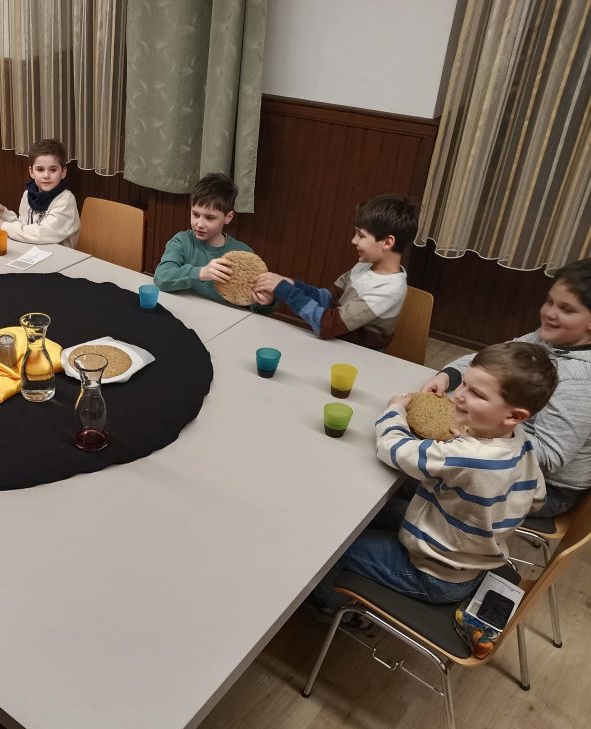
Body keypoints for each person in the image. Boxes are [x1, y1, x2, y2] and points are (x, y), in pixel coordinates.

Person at [311, 342, 558, 614]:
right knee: (361, 513)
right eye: (464, 384)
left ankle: (330, 607)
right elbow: (537, 498)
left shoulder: (466, 456)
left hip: (432, 575)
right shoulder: (521, 441)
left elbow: (393, 449)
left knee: (330, 548)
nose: (459, 395)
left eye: (476, 393)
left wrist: (395, 410)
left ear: (514, 415)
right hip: (467, 560)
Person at [421, 260, 591, 518]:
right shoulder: (544, 337)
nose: (549, 313)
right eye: (549, 301)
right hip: (505, 450)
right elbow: (489, 361)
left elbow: (549, 457)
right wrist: (448, 376)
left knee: (420, 474)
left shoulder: (580, 381)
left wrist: (478, 429)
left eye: (566, 309)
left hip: (544, 487)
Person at [253, 193, 419, 350]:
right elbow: (329, 299)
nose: (353, 240)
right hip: (335, 345)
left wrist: (285, 289)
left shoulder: (388, 290)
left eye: (361, 236)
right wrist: (292, 284)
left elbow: (327, 325)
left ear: (387, 242)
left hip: (359, 357)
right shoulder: (364, 266)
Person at [153, 172, 276, 314]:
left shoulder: (243, 252)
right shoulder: (182, 241)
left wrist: (267, 302)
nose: (200, 224)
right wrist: (202, 273)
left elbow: (255, 308)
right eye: (195, 214)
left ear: (228, 217)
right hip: (182, 312)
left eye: (209, 218)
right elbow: (161, 278)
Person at [0, 138, 80, 248]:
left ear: (63, 172)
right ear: (31, 172)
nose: (46, 175)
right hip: (31, 252)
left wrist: (3, 226)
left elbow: (41, 234)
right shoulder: (28, 195)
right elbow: (25, 229)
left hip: (60, 255)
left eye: (53, 170)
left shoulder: (66, 200)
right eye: (40, 169)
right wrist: (4, 214)